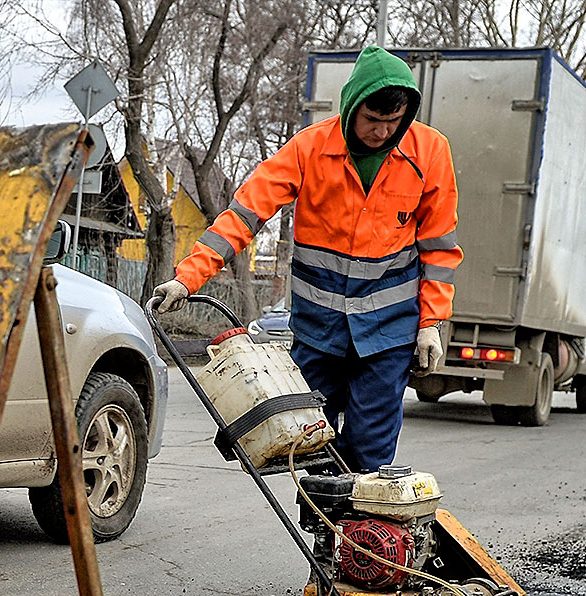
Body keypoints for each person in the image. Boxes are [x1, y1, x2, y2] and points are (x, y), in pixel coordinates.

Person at [152, 47, 461, 473]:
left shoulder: (429, 152)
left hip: (388, 333)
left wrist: (431, 325)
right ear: (351, 107)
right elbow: (245, 215)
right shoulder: (309, 149)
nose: (382, 132)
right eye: (372, 120)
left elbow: (439, 248)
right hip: (321, 331)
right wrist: (187, 279)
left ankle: (361, 537)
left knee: (370, 453)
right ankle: (324, 534)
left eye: (394, 123)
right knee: (310, 442)